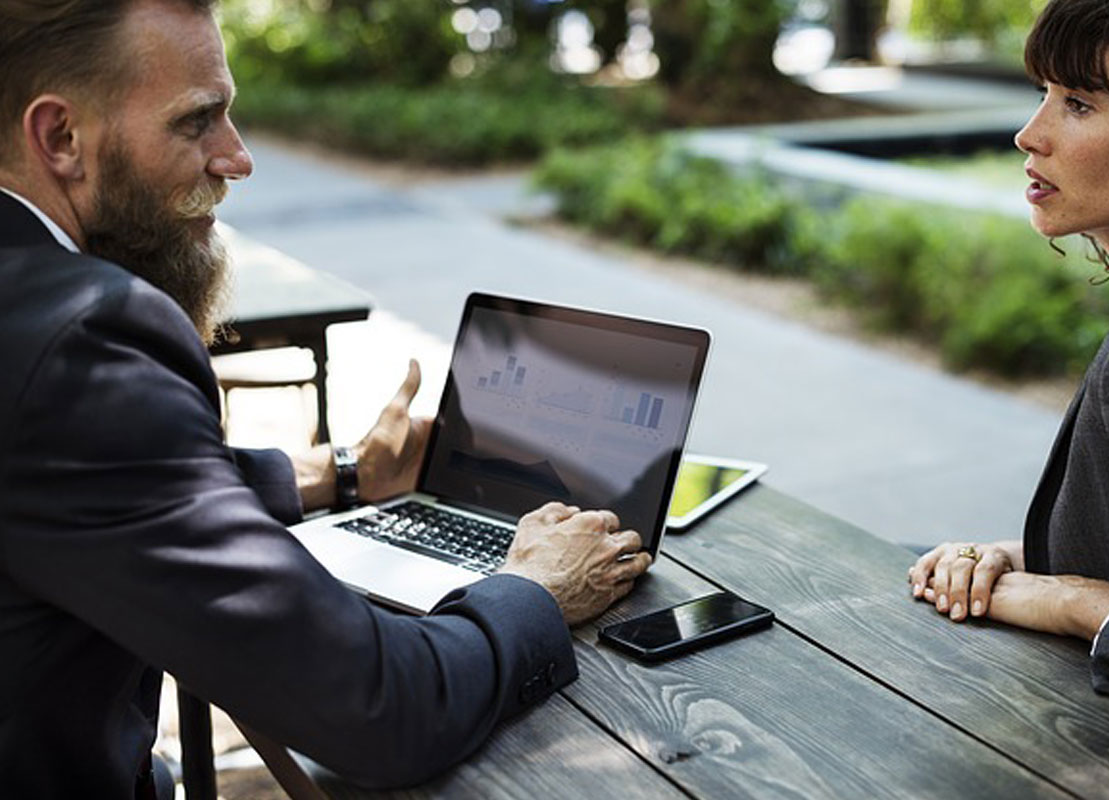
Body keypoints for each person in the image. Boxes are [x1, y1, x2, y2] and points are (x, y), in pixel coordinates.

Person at [0, 0, 652, 796]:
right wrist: (534, 590)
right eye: (197, 121)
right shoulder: (85, 339)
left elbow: (78, 487)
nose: (235, 159)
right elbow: (380, 708)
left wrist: (343, 473)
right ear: (60, 138)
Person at [908, 0, 1109, 717]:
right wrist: (1023, 556)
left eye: (1077, 103)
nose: (1028, 135)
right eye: (1042, 95)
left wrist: (1079, 604)